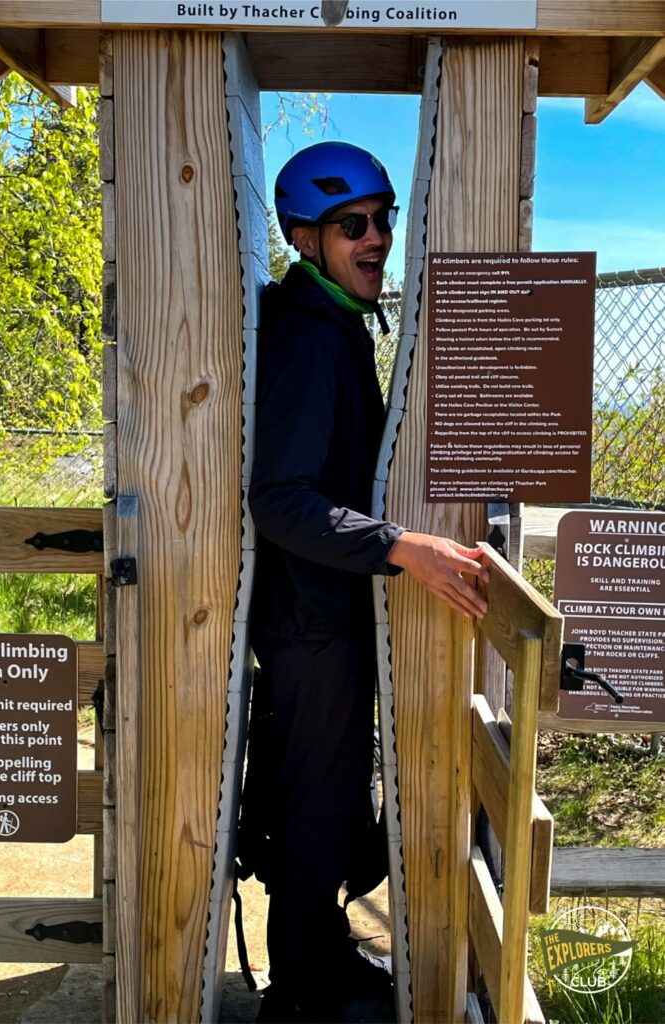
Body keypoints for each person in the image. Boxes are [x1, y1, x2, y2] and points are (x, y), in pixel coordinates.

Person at [245, 141, 488, 1023]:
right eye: (354, 225)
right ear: (306, 239)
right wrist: (400, 547)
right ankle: (301, 993)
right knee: (318, 803)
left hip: (326, 609)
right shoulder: (311, 338)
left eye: (383, 220)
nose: (376, 236)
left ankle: (318, 958)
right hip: (311, 620)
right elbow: (278, 498)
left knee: (333, 795)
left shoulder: (332, 322)